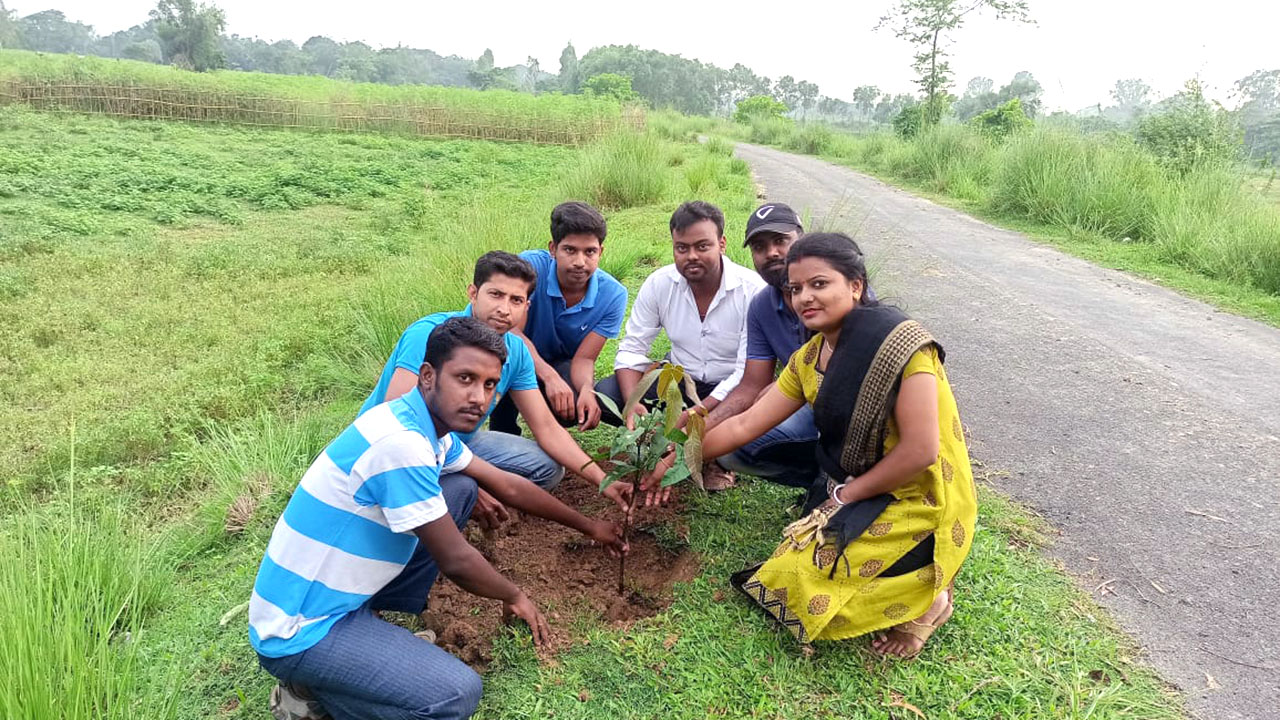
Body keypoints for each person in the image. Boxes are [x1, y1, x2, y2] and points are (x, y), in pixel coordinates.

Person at [252, 317, 625, 720]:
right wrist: (513, 595)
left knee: (461, 489)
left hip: (338, 597)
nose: (479, 397)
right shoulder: (402, 445)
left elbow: (507, 485)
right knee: (456, 694)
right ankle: (310, 694)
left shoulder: (428, 429)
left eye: (489, 384)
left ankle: (364, 639)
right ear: (427, 376)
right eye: (464, 378)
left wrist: (590, 526)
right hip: (299, 628)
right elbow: (457, 561)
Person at [644, 233, 977, 657]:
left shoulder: (903, 348)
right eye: (796, 289)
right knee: (790, 583)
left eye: (819, 284)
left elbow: (920, 452)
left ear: (855, 285)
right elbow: (746, 423)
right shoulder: (809, 359)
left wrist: (843, 497)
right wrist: (678, 456)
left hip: (919, 494)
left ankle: (932, 602)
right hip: (856, 484)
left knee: (829, 596)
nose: (805, 297)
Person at [361, 251, 632, 521]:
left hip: (458, 443)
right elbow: (397, 422)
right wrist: (469, 478)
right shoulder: (431, 335)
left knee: (547, 468)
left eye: (516, 300)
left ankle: (468, 494)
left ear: (527, 306)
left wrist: (604, 480)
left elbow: (547, 428)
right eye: (496, 295)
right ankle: (453, 498)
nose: (504, 309)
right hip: (393, 449)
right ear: (473, 293)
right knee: (463, 488)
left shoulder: (516, 351)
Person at [596, 200, 765, 490]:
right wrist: (632, 402)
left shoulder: (752, 291)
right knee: (607, 393)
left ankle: (714, 459)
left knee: (750, 417)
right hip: (681, 384)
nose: (691, 256)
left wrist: (700, 412)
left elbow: (744, 373)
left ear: (722, 244)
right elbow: (632, 348)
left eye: (702, 246)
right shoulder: (659, 284)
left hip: (731, 392)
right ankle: (663, 444)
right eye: (682, 248)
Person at [704, 202, 821, 489]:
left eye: (781, 241)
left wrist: (782, 388)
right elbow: (750, 386)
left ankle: (842, 484)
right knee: (729, 448)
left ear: (801, 238)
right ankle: (816, 483)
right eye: (759, 247)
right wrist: (699, 433)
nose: (771, 253)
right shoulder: (761, 306)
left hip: (850, 406)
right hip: (802, 404)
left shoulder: (833, 289)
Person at [490, 201, 627, 434]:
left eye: (590, 252)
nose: (579, 262)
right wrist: (549, 376)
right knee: (502, 357)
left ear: (600, 252)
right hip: (513, 350)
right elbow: (510, 331)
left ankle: (548, 432)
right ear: (553, 249)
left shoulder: (613, 295)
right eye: (570, 250)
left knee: (573, 402)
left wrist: (587, 389)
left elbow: (584, 359)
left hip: (559, 360)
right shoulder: (530, 268)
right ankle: (503, 432)